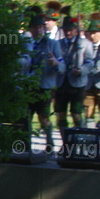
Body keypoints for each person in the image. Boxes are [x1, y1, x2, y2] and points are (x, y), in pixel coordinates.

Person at [25, 14, 64, 150]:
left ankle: (49, 142)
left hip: (44, 87)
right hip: (27, 86)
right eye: (35, 27)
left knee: (44, 118)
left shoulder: (51, 44)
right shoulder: (25, 43)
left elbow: (62, 65)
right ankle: (25, 146)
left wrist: (55, 63)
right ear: (30, 29)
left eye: (40, 27)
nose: (38, 30)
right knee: (25, 118)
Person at [54, 13, 95, 130]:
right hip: (61, 83)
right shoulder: (58, 44)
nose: (68, 32)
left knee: (76, 114)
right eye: (66, 29)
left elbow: (90, 62)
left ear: (76, 30)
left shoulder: (85, 43)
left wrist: (81, 70)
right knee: (60, 114)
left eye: (70, 30)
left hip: (77, 84)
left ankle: (79, 138)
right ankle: (65, 142)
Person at [84, 14, 100, 127]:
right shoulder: (86, 45)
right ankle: (89, 137)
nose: (92, 35)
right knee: (88, 112)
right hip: (88, 84)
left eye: (95, 32)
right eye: (90, 32)